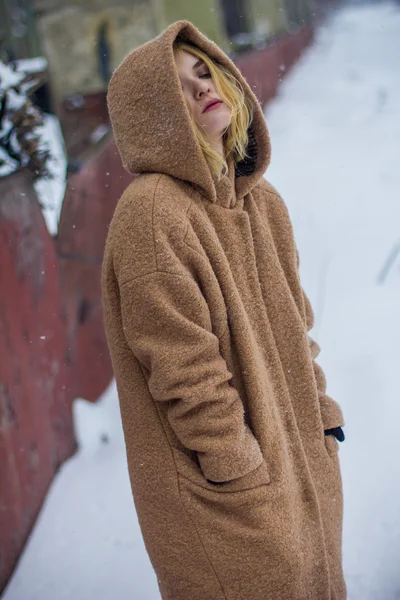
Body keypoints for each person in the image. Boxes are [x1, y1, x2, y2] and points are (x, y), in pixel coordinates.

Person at [102, 19, 346, 600]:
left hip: (301, 473)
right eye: (177, 86)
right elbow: (184, 373)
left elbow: (295, 325)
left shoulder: (261, 201)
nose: (201, 87)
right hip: (229, 503)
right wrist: (238, 468)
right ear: (152, 114)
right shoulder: (153, 214)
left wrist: (319, 416)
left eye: (204, 72)